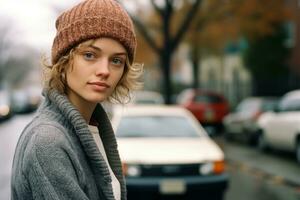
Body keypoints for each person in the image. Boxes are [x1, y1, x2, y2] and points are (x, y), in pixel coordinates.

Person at [11, 0, 143, 199]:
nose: (104, 71)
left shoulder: (94, 127)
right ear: (63, 61)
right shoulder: (48, 142)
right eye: (90, 55)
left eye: (116, 60)